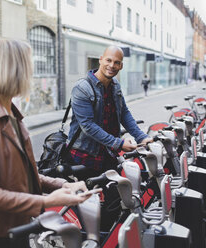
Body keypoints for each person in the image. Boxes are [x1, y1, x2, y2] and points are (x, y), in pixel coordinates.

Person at [0, 38, 91, 248]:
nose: (30, 75)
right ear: (13, 70)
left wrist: (63, 185)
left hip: (16, 226)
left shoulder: (11, 114)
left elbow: (21, 175)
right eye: (28, 67)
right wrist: (46, 202)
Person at [67, 45, 153, 230]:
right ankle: (90, 238)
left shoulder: (115, 86)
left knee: (116, 202)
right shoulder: (82, 88)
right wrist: (119, 143)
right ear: (100, 59)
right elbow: (88, 126)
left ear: (121, 65)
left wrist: (141, 136)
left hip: (106, 155)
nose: (112, 65)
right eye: (108, 60)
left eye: (117, 62)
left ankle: (104, 238)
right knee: (92, 207)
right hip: (85, 156)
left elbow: (124, 114)